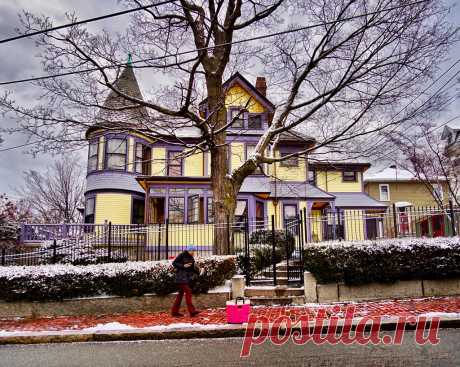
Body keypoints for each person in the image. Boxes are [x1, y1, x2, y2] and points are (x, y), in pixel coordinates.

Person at [171, 245, 201, 317]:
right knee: (188, 292)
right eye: (192, 251)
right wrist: (183, 266)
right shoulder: (182, 255)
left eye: (194, 251)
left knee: (180, 295)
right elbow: (174, 263)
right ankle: (192, 311)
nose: (193, 252)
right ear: (188, 250)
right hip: (181, 278)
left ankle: (174, 312)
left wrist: (199, 271)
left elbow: (192, 268)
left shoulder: (191, 257)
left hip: (186, 278)